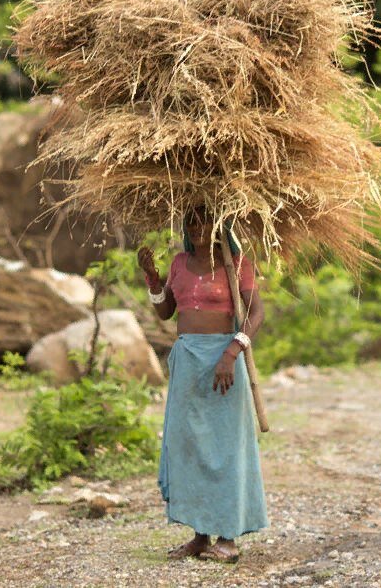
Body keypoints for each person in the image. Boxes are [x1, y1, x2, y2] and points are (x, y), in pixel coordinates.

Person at [137, 207, 268, 562]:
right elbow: (166, 313)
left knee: (225, 447)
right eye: (191, 221)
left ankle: (228, 538)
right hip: (187, 363)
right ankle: (199, 535)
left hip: (224, 362)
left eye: (205, 220)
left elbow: (256, 313)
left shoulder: (235, 261)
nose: (197, 227)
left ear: (219, 225)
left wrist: (232, 351)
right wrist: (152, 278)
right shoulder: (179, 263)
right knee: (191, 445)